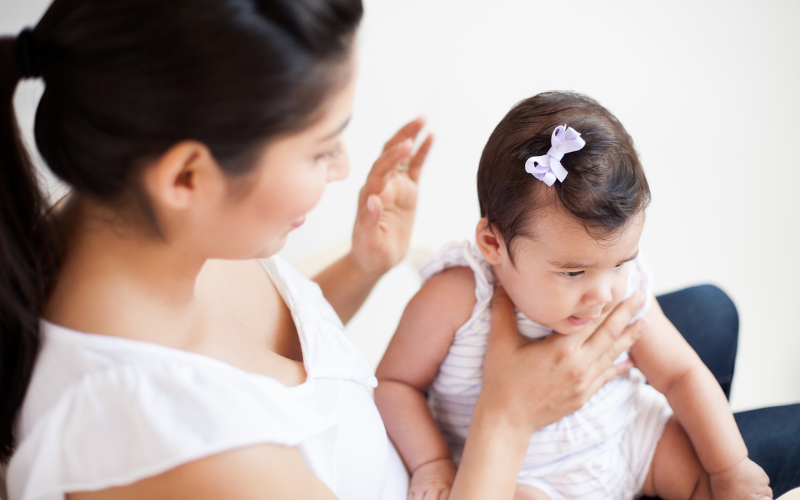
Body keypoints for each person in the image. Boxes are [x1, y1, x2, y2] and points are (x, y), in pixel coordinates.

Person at [0, 1, 797, 499]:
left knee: (706, 322)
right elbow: (352, 392)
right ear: (188, 175)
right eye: (321, 148)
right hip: (489, 468)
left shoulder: (127, 218)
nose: (345, 167)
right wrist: (507, 419)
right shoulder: (177, 452)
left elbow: (271, 372)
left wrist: (363, 265)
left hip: (482, 437)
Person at [374, 92, 773, 500]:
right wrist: (432, 462)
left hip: (631, 440)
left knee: (709, 481)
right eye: (572, 272)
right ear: (493, 245)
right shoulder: (456, 296)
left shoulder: (623, 290)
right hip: (528, 478)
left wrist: (730, 468)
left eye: (620, 263)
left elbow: (680, 374)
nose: (602, 295)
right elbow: (393, 383)